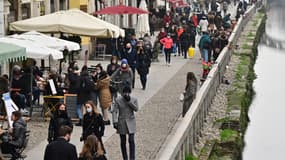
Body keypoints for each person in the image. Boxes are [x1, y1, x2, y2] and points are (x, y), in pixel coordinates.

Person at [112, 86, 139, 160]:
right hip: (122, 121)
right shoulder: (118, 100)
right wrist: (115, 121)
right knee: (123, 141)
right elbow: (114, 111)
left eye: (127, 93)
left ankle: (132, 158)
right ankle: (125, 158)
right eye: (125, 93)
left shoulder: (134, 99)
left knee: (131, 140)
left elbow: (136, 109)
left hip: (131, 121)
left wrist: (129, 101)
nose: (126, 94)